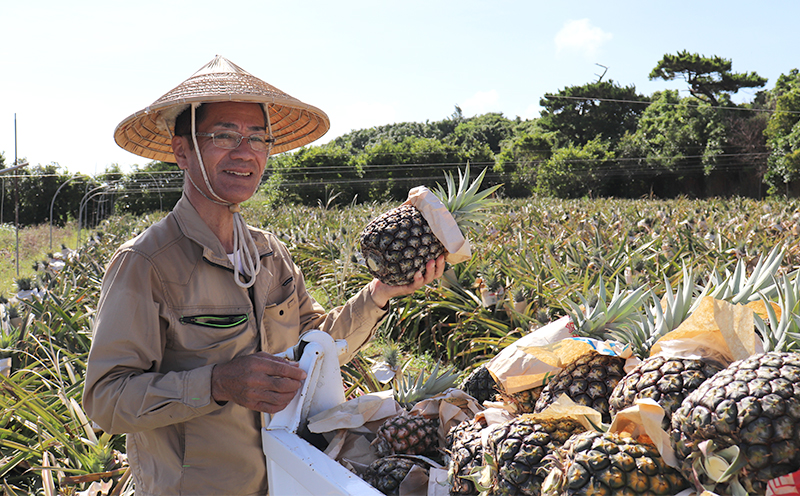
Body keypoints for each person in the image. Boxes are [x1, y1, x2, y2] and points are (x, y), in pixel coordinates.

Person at [82, 55, 444, 496]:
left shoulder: (269, 253)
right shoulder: (147, 263)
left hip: (285, 480)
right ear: (182, 151)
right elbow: (106, 400)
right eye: (224, 135)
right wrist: (217, 383)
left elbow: (317, 346)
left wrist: (381, 292)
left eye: (257, 138)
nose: (245, 152)